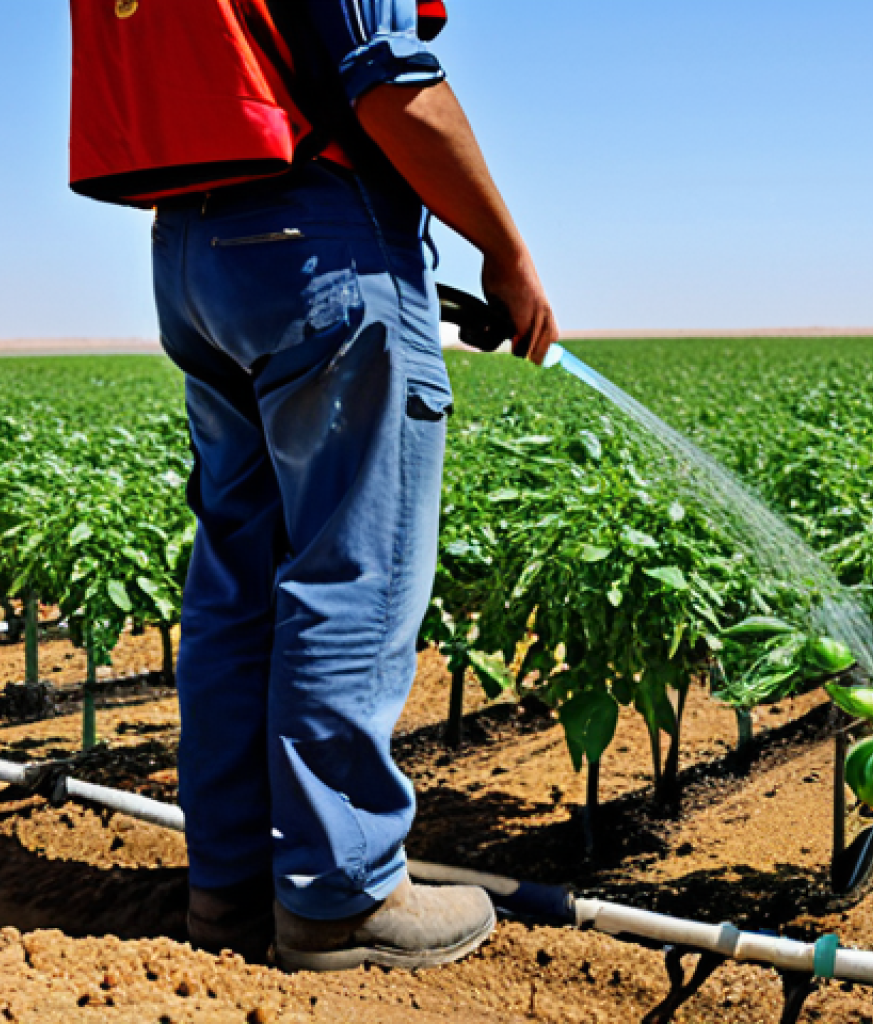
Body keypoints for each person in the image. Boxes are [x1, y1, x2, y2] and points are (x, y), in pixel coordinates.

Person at [68, 0, 557, 970]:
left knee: (236, 581)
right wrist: (504, 252)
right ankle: (343, 894)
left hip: (191, 254)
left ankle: (230, 883)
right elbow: (388, 83)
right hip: (316, 244)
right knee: (354, 569)